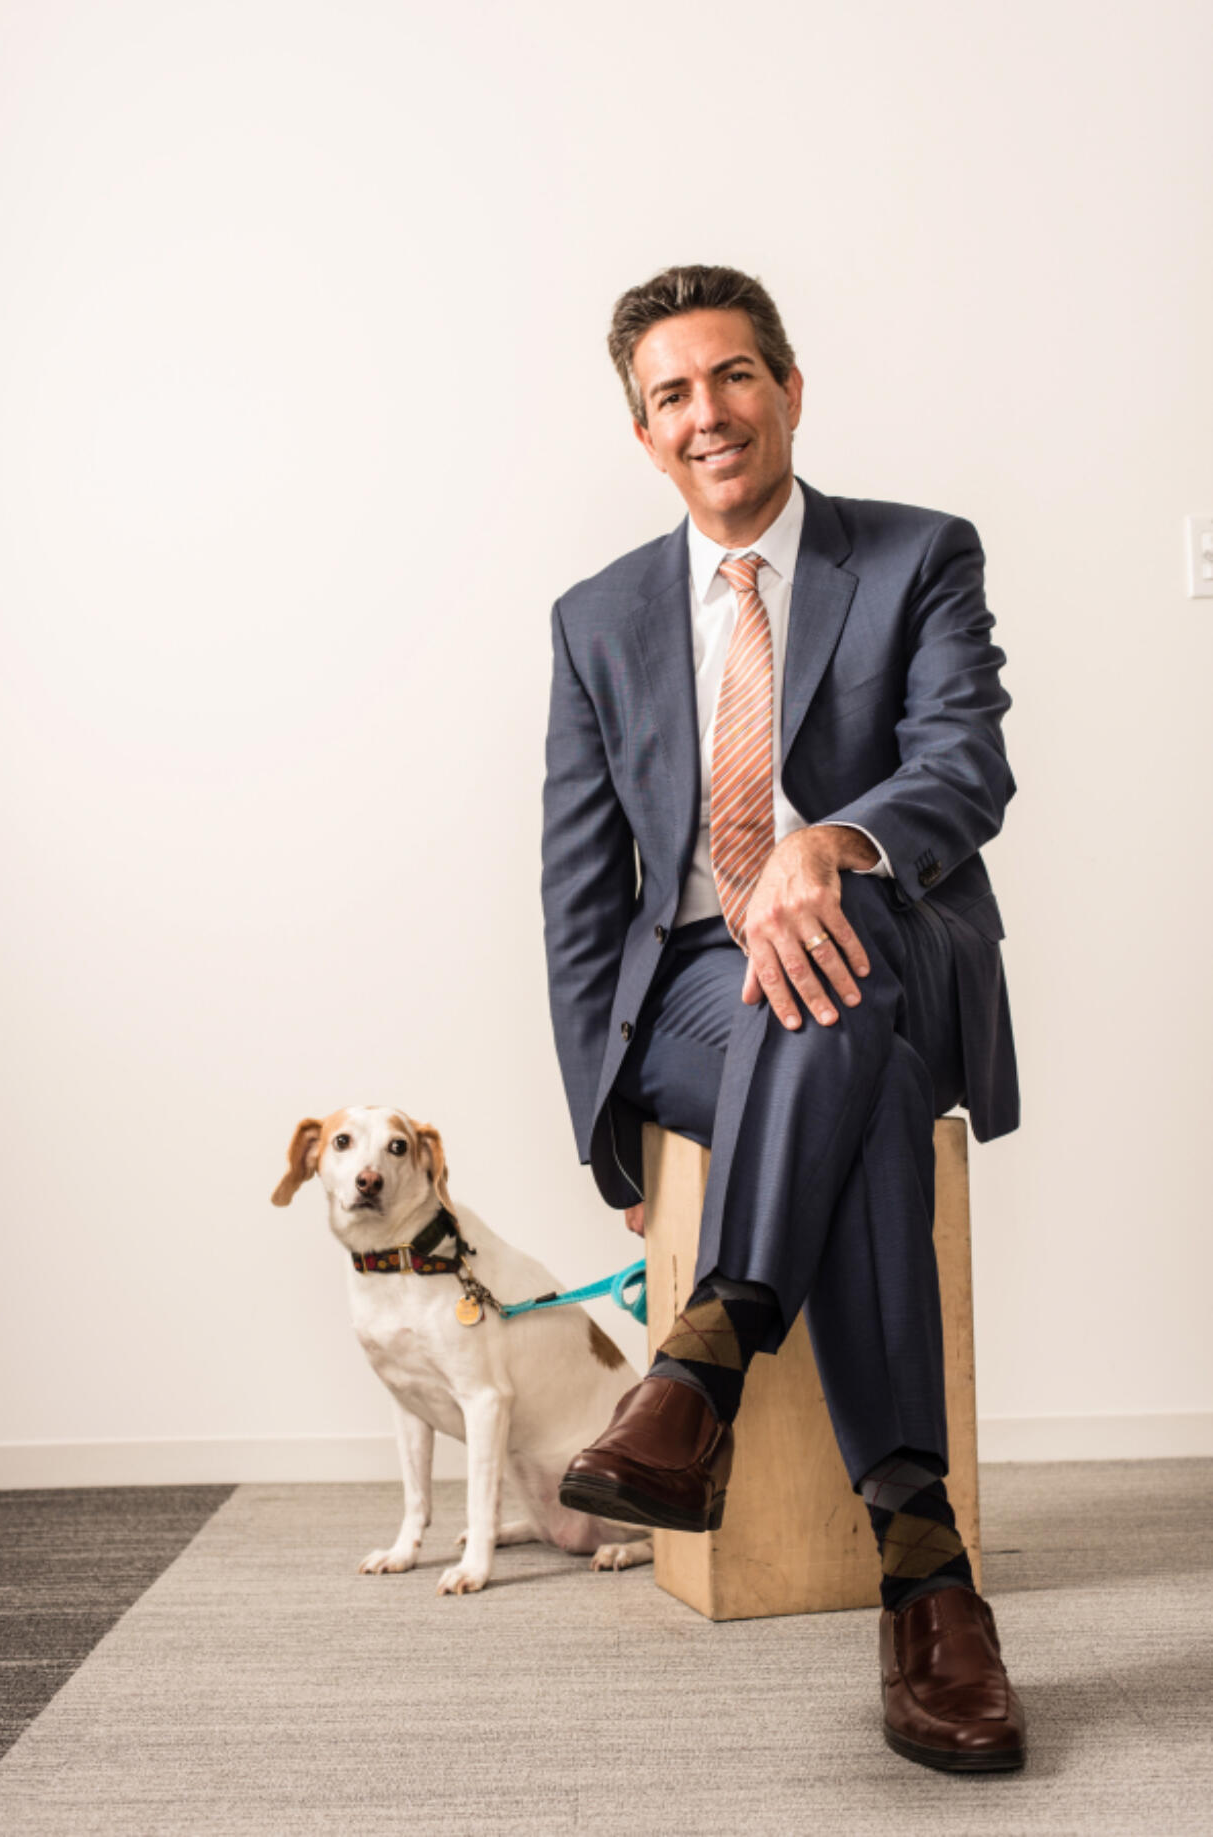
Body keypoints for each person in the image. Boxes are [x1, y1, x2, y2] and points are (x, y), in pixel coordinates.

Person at [540, 264, 1025, 1772]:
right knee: (826, 1029)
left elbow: (962, 768)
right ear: (643, 434)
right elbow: (577, 891)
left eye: (733, 376)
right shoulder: (595, 616)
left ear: (790, 386)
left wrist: (826, 846)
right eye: (673, 394)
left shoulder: (915, 555)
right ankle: (924, 1571)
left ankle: (699, 1369)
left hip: (889, 937)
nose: (709, 413)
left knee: (839, 937)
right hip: (691, 989)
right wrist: (608, 1142)